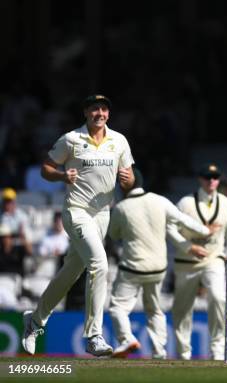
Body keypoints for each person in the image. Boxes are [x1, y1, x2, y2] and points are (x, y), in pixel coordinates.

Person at [21, 94, 135, 357]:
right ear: (86, 112)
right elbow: (45, 169)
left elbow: (127, 182)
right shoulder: (71, 139)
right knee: (100, 264)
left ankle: (35, 320)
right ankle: (94, 335)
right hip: (76, 211)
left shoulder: (119, 141)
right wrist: (63, 175)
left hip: (102, 214)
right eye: (95, 108)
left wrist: (127, 180)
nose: (100, 113)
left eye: (104, 108)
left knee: (70, 273)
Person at [108, 169, 210, 359]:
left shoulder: (121, 208)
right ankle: (159, 350)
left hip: (133, 267)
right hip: (158, 268)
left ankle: (126, 339)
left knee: (118, 307)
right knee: (154, 309)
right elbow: (182, 219)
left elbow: (114, 235)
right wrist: (205, 231)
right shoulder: (159, 200)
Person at [167, 163, 227, 360]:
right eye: (207, 177)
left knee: (219, 298)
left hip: (213, 258)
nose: (211, 181)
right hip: (186, 261)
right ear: (200, 179)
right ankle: (183, 353)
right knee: (182, 308)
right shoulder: (185, 203)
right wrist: (188, 247)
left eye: (215, 178)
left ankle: (217, 350)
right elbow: (170, 228)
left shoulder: (225, 203)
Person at [0, 187, 33, 257]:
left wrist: (22, 233)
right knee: (6, 239)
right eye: (6, 201)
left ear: (14, 202)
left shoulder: (21, 215)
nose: (8, 204)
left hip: (19, 235)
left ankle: (31, 259)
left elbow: (24, 230)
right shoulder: (2, 215)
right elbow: (4, 232)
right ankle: (6, 261)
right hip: (5, 237)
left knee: (27, 239)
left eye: (10, 201)